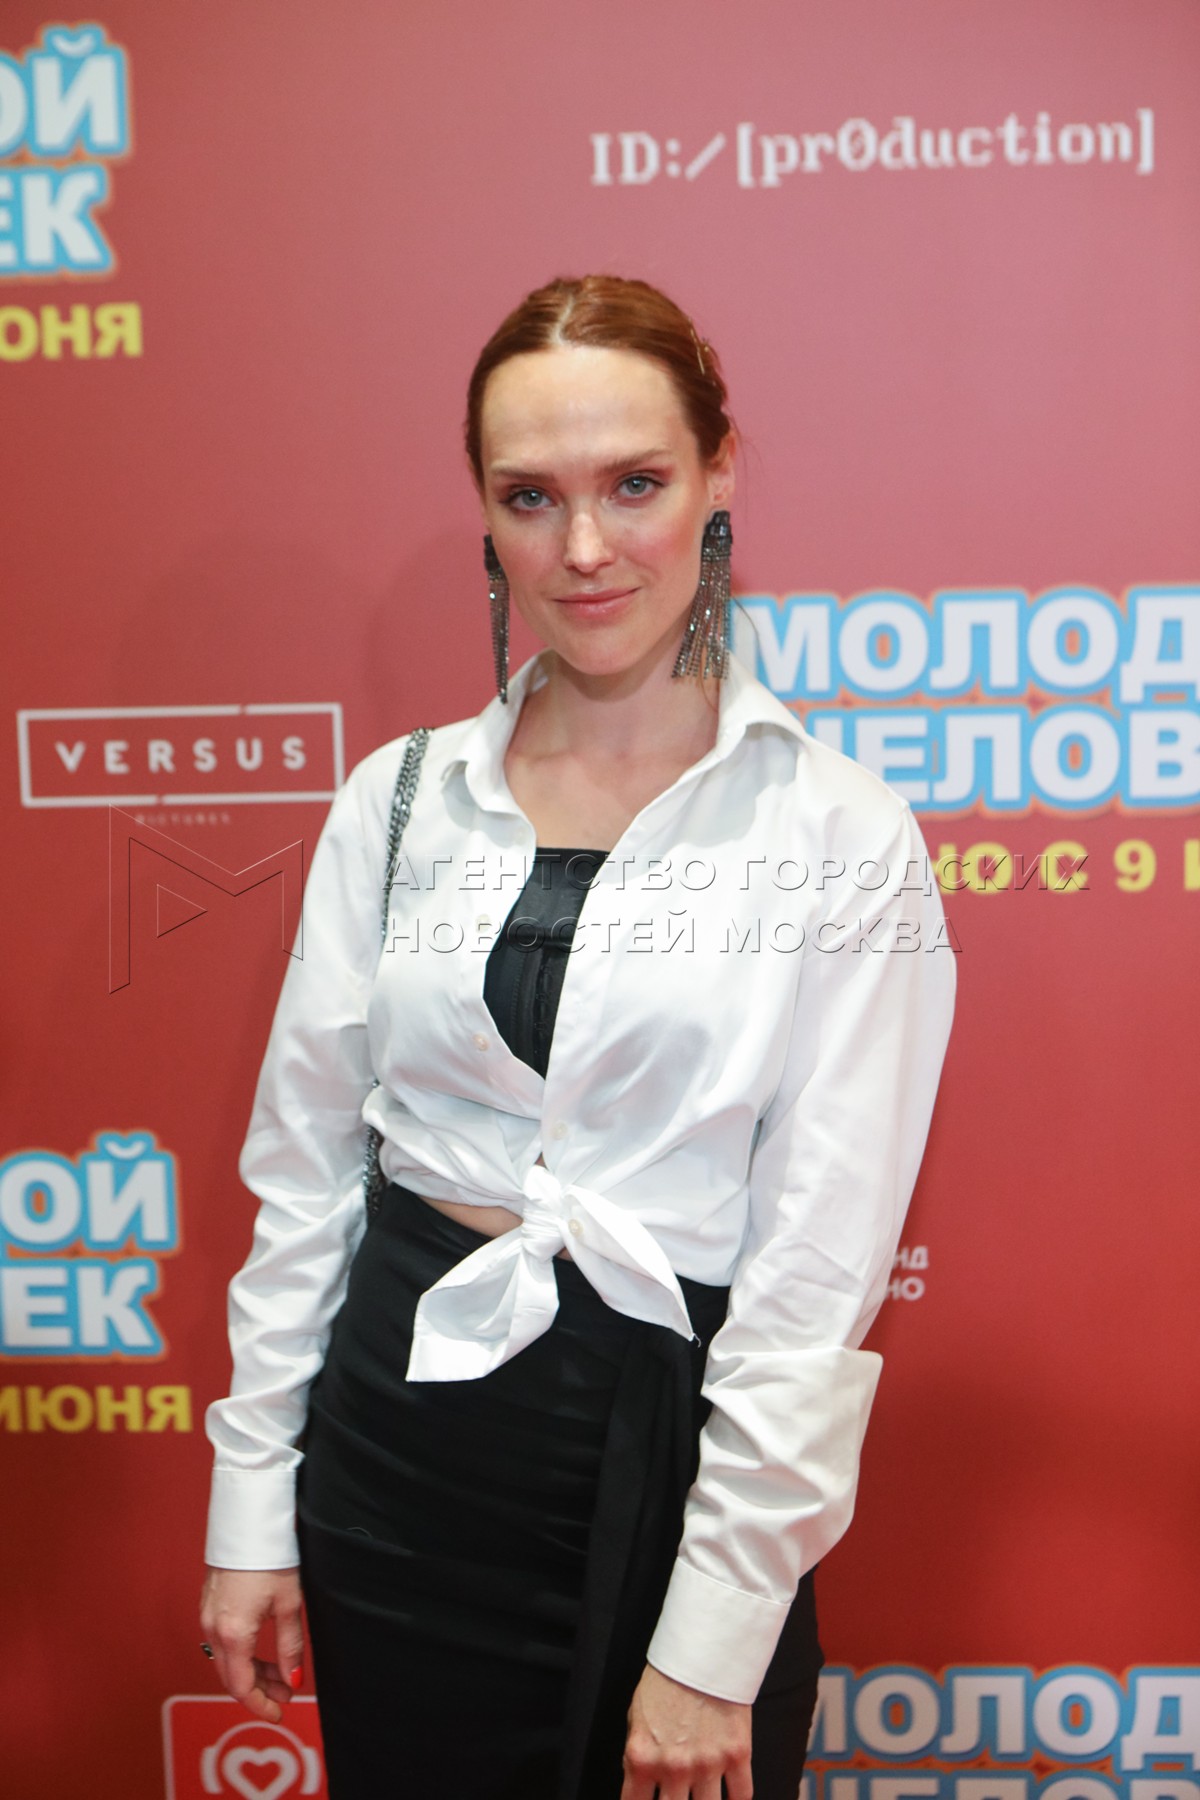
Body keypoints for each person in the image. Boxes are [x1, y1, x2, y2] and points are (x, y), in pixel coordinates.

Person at [200, 274, 956, 1800]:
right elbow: (308, 1177)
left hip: (669, 1454)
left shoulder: (839, 832)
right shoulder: (399, 801)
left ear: (720, 473)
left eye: (636, 484)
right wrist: (252, 1505)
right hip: (396, 1449)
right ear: (486, 513)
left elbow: (818, 1271)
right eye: (531, 497)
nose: (585, 548)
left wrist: (714, 1639)